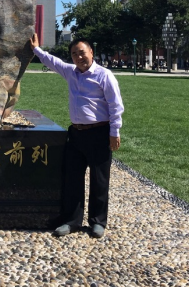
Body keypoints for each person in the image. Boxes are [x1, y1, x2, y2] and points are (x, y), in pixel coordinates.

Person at [30, 34, 124, 239]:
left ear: (91, 52)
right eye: (74, 54)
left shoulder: (104, 75)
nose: (79, 57)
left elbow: (116, 106)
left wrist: (114, 132)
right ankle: (72, 221)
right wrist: (36, 49)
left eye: (82, 52)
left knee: (99, 180)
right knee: (72, 178)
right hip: (76, 134)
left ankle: (97, 222)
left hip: (99, 133)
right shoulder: (71, 72)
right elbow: (52, 61)